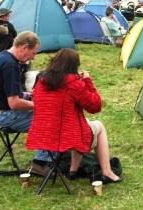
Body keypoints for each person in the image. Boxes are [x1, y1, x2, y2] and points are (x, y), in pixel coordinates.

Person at [26, 48, 121, 183]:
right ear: (74, 65)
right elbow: (95, 106)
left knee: (81, 123)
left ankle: (73, 171)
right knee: (98, 126)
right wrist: (87, 81)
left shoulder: (41, 81)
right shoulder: (74, 84)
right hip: (64, 136)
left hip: (43, 134)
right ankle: (107, 171)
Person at [0, 31, 49, 171]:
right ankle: (40, 163)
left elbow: (11, 93)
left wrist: (30, 96)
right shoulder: (10, 65)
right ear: (25, 47)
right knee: (51, 120)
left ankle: (47, 158)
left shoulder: (1, 56)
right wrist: (40, 105)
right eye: (33, 53)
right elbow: (14, 103)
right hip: (3, 116)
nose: (33, 57)